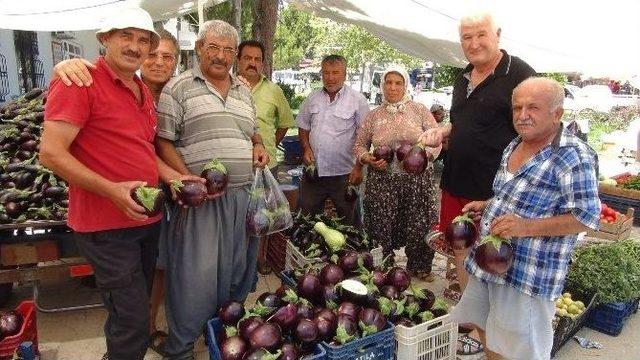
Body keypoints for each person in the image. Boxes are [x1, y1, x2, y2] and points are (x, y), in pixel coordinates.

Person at [39, 7, 199, 360]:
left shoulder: (140, 89)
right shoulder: (79, 81)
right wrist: (111, 189)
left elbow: (142, 151)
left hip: (145, 219)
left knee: (130, 313)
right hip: (106, 225)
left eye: (143, 40)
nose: (134, 46)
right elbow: (50, 154)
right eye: (125, 36)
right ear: (104, 39)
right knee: (133, 321)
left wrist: (175, 176)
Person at [452, 77, 600, 360]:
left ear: (557, 114)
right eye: (517, 107)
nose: (522, 115)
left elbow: (587, 217)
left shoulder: (572, 155)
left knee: (521, 351)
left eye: (533, 107)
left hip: (527, 276)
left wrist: (526, 227)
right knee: (486, 332)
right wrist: (488, 205)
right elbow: (510, 195)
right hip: (490, 262)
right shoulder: (515, 144)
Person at [420, 12, 536, 355]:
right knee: (461, 251)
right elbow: (463, 124)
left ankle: (497, 333)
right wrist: (442, 131)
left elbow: (533, 135)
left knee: (494, 262)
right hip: (456, 181)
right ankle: (474, 325)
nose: (473, 44)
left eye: (480, 35)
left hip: (495, 192)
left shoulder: (520, 75)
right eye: (466, 38)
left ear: (497, 34)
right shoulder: (462, 77)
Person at [155, 20, 269, 360]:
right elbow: (163, 141)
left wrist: (259, 145)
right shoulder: (177, 88)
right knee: (196, 274)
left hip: (242, 195)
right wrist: (188, 178)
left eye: (227, 50)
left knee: (238, 270)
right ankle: (181, 348)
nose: (220, 56)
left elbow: (251, 131)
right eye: (213, 48)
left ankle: (220, 336)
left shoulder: (243, 90)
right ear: (200, 48)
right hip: (200, 200)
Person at [353, 65, 441, 280]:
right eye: (388, 82)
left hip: (417, 179)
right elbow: (359, 146)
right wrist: (369, 159)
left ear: (405, 85)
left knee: (419, 221)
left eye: (398, 82)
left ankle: (420, 266)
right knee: (381, 223)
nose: (392, 87)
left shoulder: (419, 110)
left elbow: (436, 140)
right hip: (383, 179)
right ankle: (384, 265)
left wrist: (423, 157)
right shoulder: (374, 116)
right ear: (382, 85)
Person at [236, 39, 295, 274]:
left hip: (265, 165)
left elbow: (285, 123)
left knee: (264, 214)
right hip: (237, 166)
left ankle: (260, 260)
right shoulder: (229, 87)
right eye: (247, 58)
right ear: (238, 60)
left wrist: (269, 145)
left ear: (263, 63)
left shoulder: (274, 91)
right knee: (240, 214)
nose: (252, 63)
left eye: (257, 59)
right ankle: (239, 260)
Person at [296, 54, 370, 224]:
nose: (330, 78)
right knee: (305, 221)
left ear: (345, 74)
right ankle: (308, 250)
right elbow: (303, 125)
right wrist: (306, 148)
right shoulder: (312, 98)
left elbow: (365, 137)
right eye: (326, 73)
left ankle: (352, 251)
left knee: (350, 223)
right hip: (314, 173)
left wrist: (358, 168)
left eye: (335, 72)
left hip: (344, 174)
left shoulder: (357, 100)